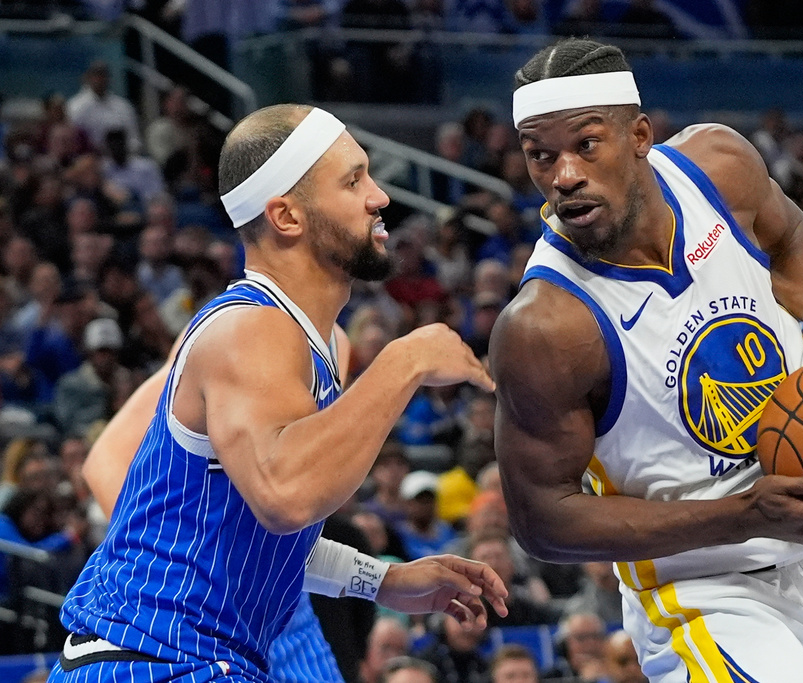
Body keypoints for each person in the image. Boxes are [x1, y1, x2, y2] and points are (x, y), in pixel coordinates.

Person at [490, 38, 803, 683]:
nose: (563, 175)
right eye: (540, 156)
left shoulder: (720, 167)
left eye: (586, 145)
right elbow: (543, 521)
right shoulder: (546, 326)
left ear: (639, 134)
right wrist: (747, 514)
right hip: (702, 593)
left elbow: (790, 236)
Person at [51, 104, 507, 682]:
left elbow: (260, 528)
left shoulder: (307, 341)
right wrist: (405, 360)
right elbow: (284, 495)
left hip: (200, 656)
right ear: (286, 216)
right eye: (353, 180)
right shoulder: (251, 328)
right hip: (155, 657)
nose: (380, 196)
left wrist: (382, 580)